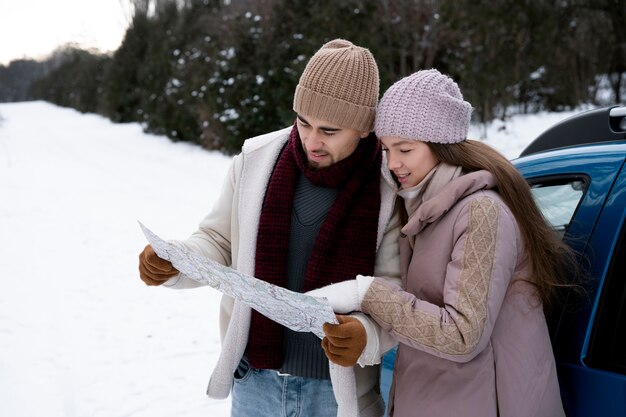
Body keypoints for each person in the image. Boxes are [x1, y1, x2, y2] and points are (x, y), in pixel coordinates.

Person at [138, 39, 401, 417]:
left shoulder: (387, 188)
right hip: (256, 383)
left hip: (336, 395)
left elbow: (393, 294)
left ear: (362, 127)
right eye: (303, 122)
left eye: (329, 130)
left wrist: (366, 336)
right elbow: (218, 240)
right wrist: (175, 261)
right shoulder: (256, 161)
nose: (312, 141)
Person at [308, 69, 575, 417]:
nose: (393, 164)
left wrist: (367, 293)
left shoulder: (481, 213)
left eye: (405, 149)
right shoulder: (424, 210)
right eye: (387, 149)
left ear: (443, 145)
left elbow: (462, 336)